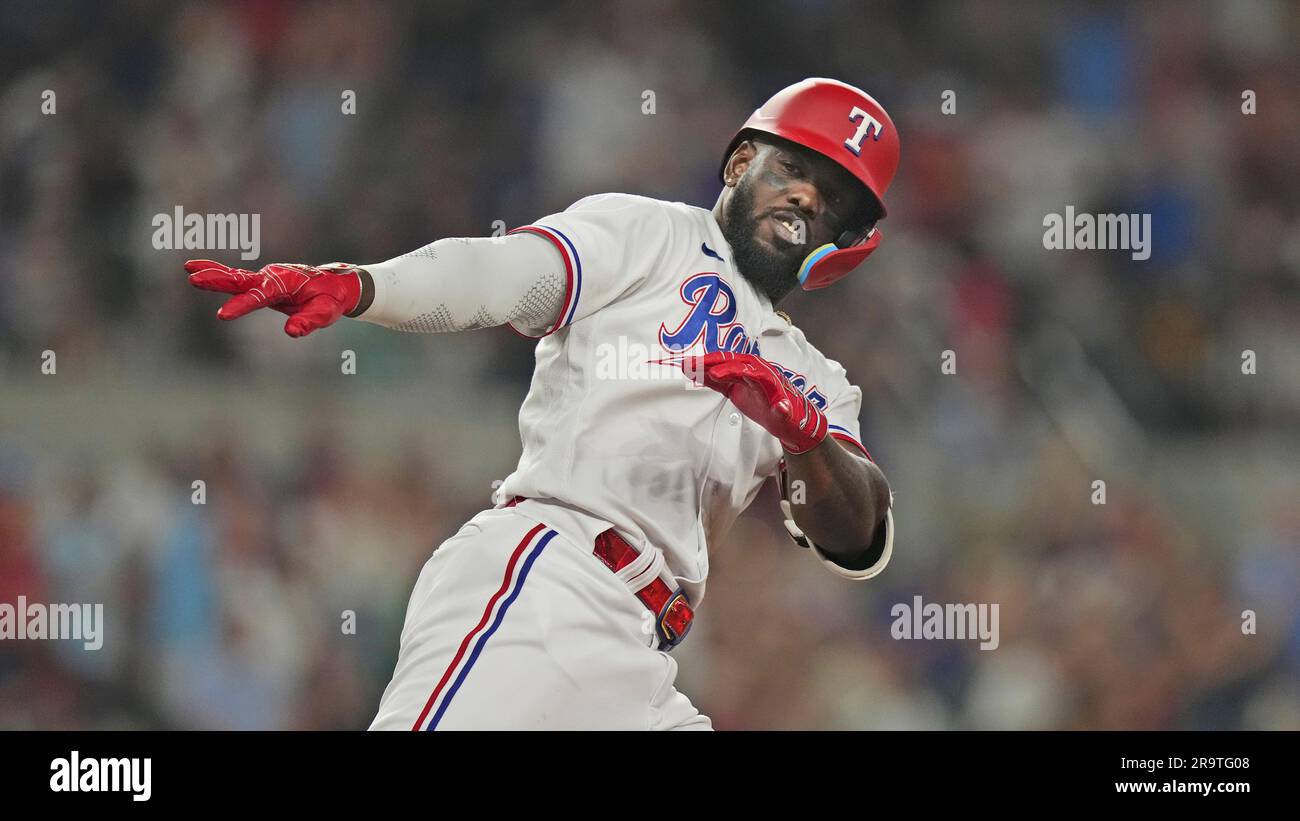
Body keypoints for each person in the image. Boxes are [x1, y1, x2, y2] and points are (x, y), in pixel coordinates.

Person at [186, 78, 901, 730]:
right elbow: (503, 274)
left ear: (847, 240)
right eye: (796, 169)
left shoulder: (818, 378)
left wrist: (803, 435)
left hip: (640, 651)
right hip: (549, 581)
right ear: (742, 162)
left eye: (835, 196)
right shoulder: (651, 233)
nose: (809, 197)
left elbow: (858, 536)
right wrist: (362, 286)